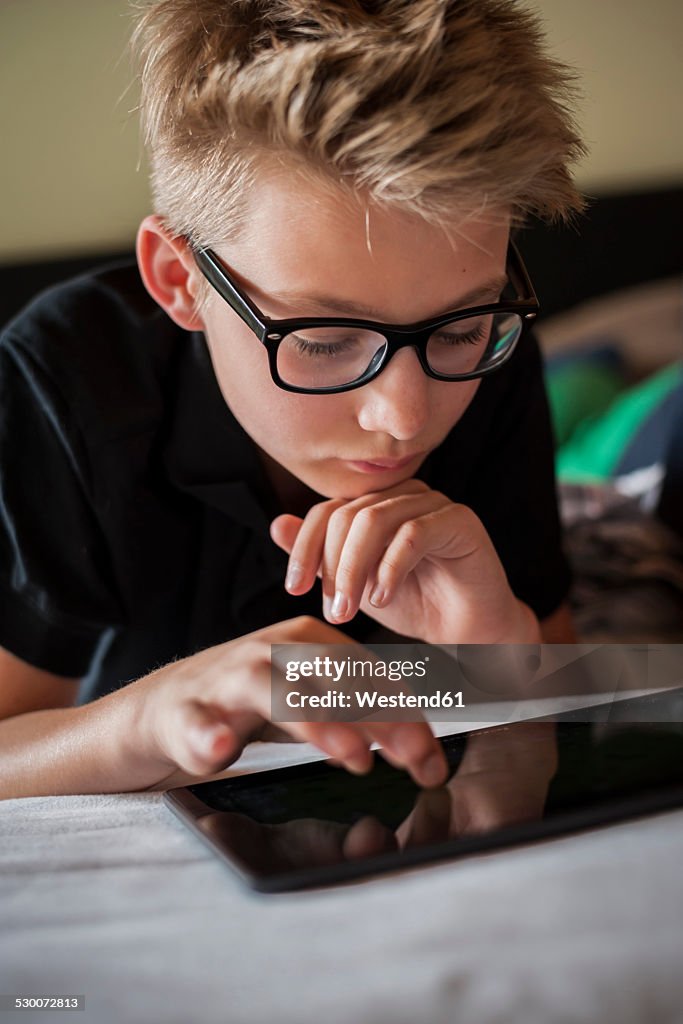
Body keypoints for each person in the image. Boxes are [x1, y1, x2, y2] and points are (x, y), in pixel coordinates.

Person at [0, 0, 584, 800]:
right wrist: (146, 717)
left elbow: (563, 692)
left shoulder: (490, 352)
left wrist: (495, 651)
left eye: (459, 327)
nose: (405, 418)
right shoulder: (65, 378)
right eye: (322, 340)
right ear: (180, 280)